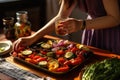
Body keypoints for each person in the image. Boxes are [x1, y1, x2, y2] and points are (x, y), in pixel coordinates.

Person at [13, 0, 120, 54]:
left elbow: (115, 18)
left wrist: (81, 24)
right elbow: (61, 17)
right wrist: (33, 37)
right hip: (92, 31)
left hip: (113, 34)